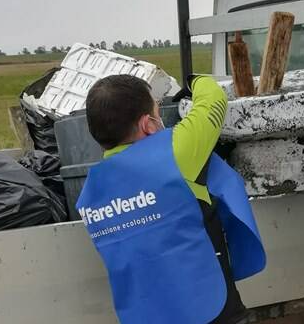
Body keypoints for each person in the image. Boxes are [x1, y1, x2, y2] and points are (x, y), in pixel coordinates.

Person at [76, 74, 265, 324]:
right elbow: (213, 101)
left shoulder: (90, 193)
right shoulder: (175, 152)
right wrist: (193, 81)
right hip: (209, 307)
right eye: (157, 111)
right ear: (148, 124)